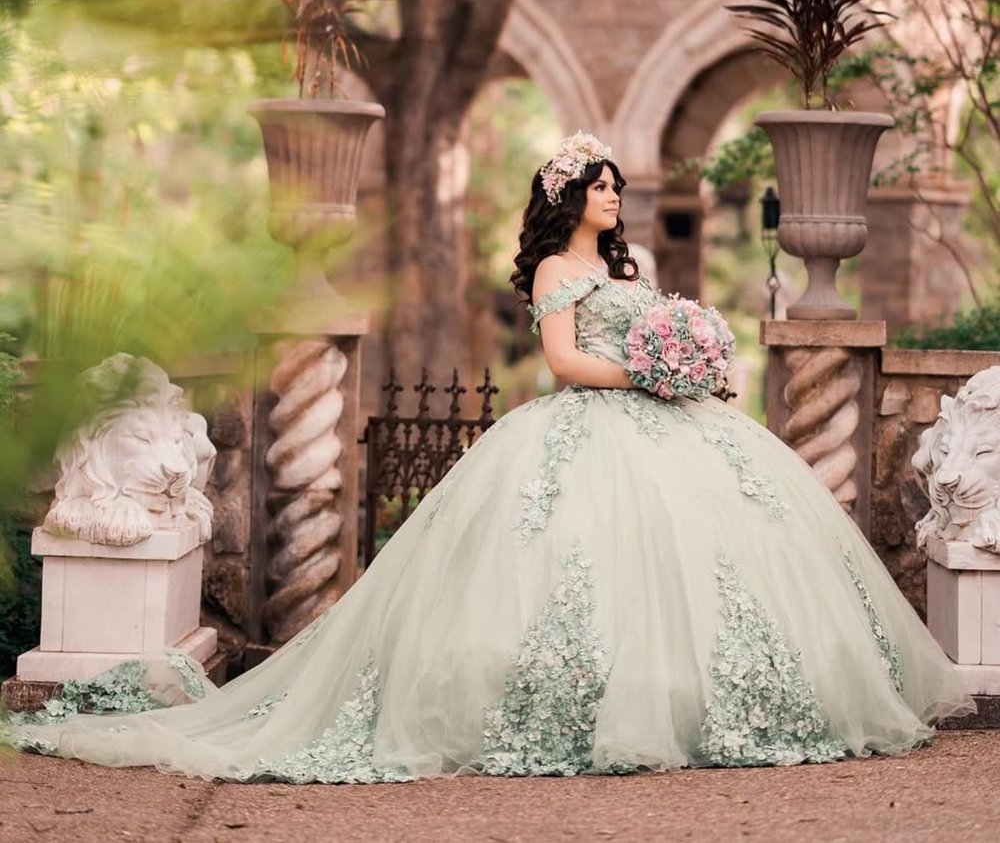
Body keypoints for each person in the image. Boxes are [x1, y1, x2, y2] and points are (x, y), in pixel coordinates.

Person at [6, 132, 974, 780]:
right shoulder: (557, 269)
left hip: (674, 427)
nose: (611, 196)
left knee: (718, 565)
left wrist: (694, 365)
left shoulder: (622, 269)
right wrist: (648, 375)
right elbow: (561, 360)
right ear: (566, 199)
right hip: (594, 428)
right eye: (597, 185)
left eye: (614, 186)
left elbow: (641, 334)